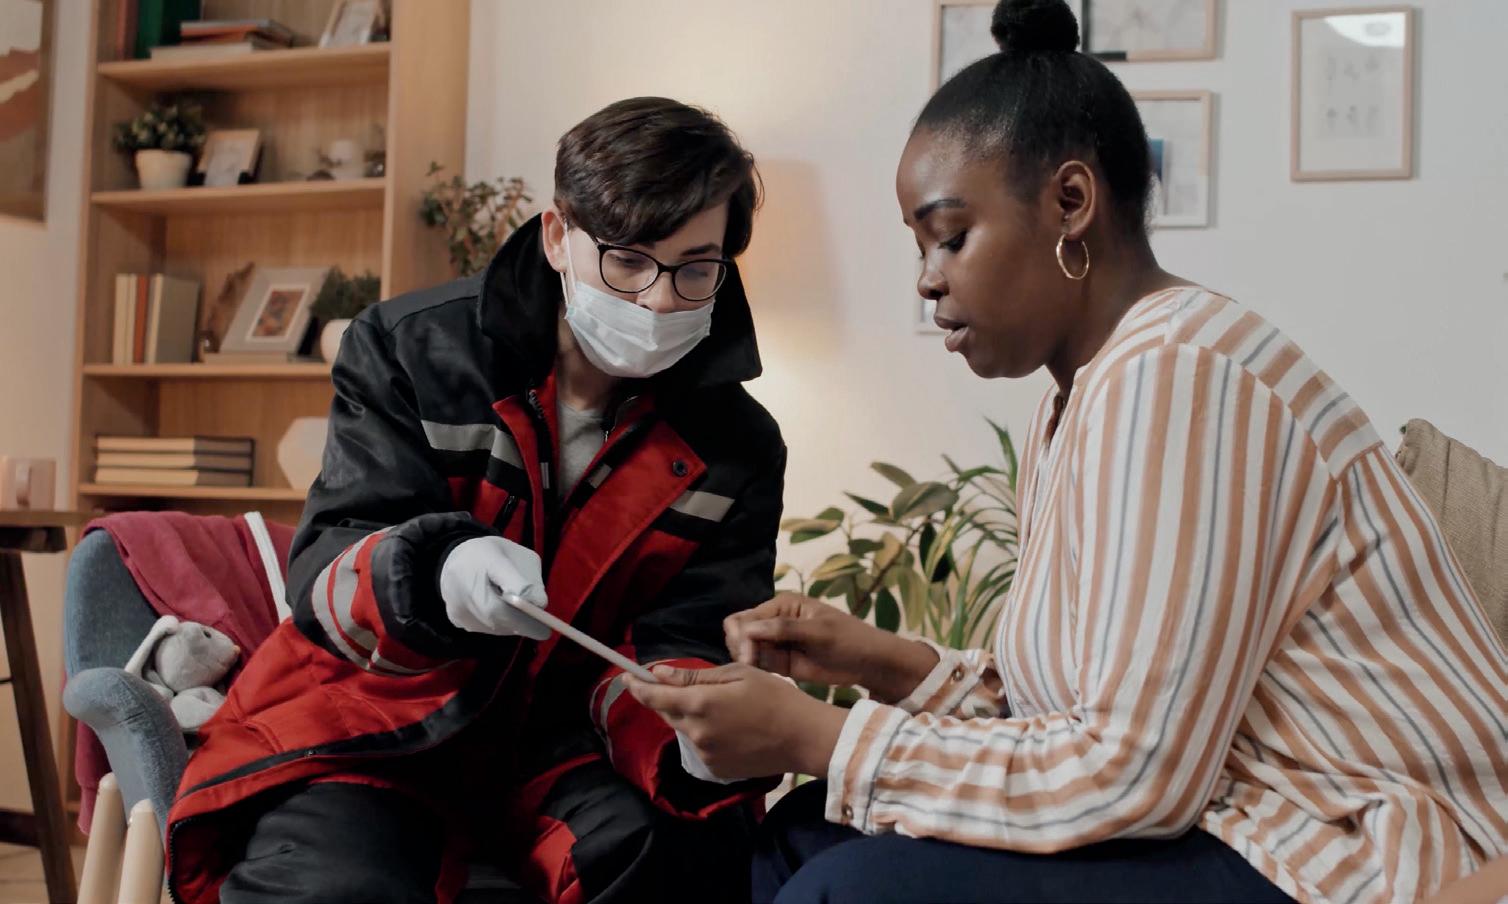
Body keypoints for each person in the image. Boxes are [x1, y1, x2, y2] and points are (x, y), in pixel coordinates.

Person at [624, 3, 1508, 902]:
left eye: (950, 237)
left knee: (851, 888)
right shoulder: (1081, 398)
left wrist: (816, 736)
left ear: (1071, 203)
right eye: (920, 247)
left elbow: (1133, 770)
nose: (927, 279)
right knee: (801, 835)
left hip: (1348, 840)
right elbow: (1068, 717)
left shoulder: (1184, 373)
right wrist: (877, 661)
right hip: (1226, 809)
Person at [165, 97, 788, 904]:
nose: (660, 300)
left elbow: (689, 635)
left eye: (695, 269)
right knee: (333, 885)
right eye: (629, 262)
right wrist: (436, 571)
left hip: (568, 745)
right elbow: (330, 560)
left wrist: (692, 734)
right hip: (380, 716)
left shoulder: (739, 445)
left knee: (675, 862)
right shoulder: (411, 350)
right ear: (558, 236)